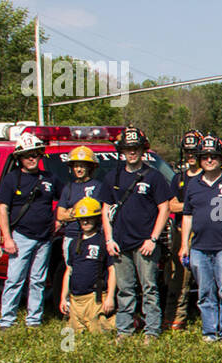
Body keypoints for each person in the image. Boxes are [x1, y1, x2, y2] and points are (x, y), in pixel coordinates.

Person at [101, 126, 173, 344]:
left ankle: (152, 331)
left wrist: (153, 239)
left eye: (136, 148)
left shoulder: (154, 177)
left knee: (150, 288)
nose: (132, 152)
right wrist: (109, 239)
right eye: (128, 148)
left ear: (143, 150)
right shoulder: (112, 176)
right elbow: (106, 209)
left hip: (145, 244)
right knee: (125, 290)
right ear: (121, 151)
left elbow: (165, 208)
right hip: (120, 243)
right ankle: (124, 330)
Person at [179, 136, 222, 343]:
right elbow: (187, 216)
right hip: (199, 246)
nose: (209, 160)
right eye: (205, 156)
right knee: (204, 292)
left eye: (213, 156)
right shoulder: (193, 184)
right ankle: (209, 331)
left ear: (221, 158)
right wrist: (184, 245)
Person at [0, 131, 62, 328]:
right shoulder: (11, 179)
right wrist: (7, 238)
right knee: (15, 280)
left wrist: (58, 220)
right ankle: (7, 320)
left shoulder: (50, 177)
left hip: (45, 238)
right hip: (21, 237)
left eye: (35, 154)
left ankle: (34, 320)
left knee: (38, 281)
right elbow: (2, 209)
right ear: (20, 158)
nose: (32, 158)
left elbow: (65, 198)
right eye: (27, 155)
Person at [164, 129, 204, 331]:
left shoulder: (207, 176)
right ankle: (175, 317)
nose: (190, 156)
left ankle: (209, 319)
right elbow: (171, 205)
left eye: (194, 152)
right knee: (178, 277)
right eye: (187, 152)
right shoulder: (178, 178)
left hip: (205, 233)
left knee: (207, 278)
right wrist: (195, 205)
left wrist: (187, 205)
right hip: (181, 233)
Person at [58, 197, 116, 334]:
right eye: (82, 219)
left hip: (95, 298)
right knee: (75, 332)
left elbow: (112, 269)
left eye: (89, 218)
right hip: (76, 299)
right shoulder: (73, 244)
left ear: (96, 219)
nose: (85, 221)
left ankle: (132, 320)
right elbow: (69, 271)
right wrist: (63, 297)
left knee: (100, 331)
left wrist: (110, 297)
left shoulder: (103, 242)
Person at [55, 146, 104, 261]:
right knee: (71, 270)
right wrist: (85, 211)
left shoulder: (98, 187)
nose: (79, 169)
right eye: (76, 166)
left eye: (82, 166)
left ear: (89, 167)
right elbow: (60, 215)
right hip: (71, 236)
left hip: (93, 236)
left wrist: (71, 212)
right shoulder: (68, 188)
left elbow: (100, 212)